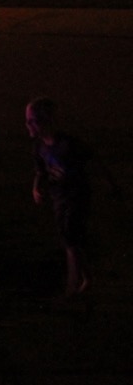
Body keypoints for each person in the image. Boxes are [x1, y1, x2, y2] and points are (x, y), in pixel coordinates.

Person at [26, 97, 117, 297]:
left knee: (69, 236)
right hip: (59, 198)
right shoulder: (39, 147)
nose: (28, 125)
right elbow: (41, 171)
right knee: (71, 240)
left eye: (32, 120)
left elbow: (95, 162)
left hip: (77, 196)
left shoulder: (68, 144)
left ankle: (72, 288)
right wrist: (36, 188)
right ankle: (87, 279)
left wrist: (111, 185)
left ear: (44, 120)